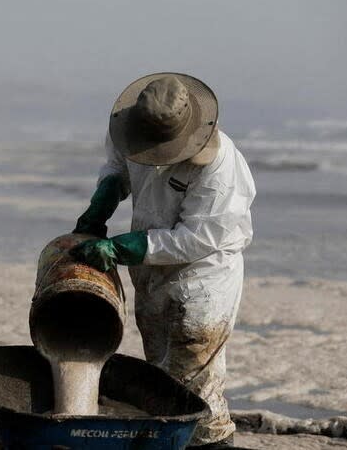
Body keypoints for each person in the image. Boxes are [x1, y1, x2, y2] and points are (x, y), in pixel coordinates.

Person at [70, 73, 256, 449]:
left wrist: (123, 249)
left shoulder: (218, 167)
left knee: (196, 381)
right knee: (160, 374)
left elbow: (201, 238)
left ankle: (214, 443)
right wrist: (102, 202)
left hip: (204, 277)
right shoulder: (132, 127)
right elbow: (118, 166)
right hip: (153, 271)